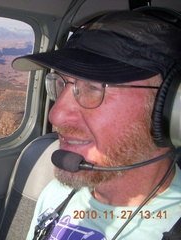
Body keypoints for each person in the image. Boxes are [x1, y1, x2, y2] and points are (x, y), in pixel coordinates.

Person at [12, 7, 181, 240]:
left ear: (171, 109)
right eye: (61, 83)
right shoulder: (56, 195)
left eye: (93, 87)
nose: (56, 116)